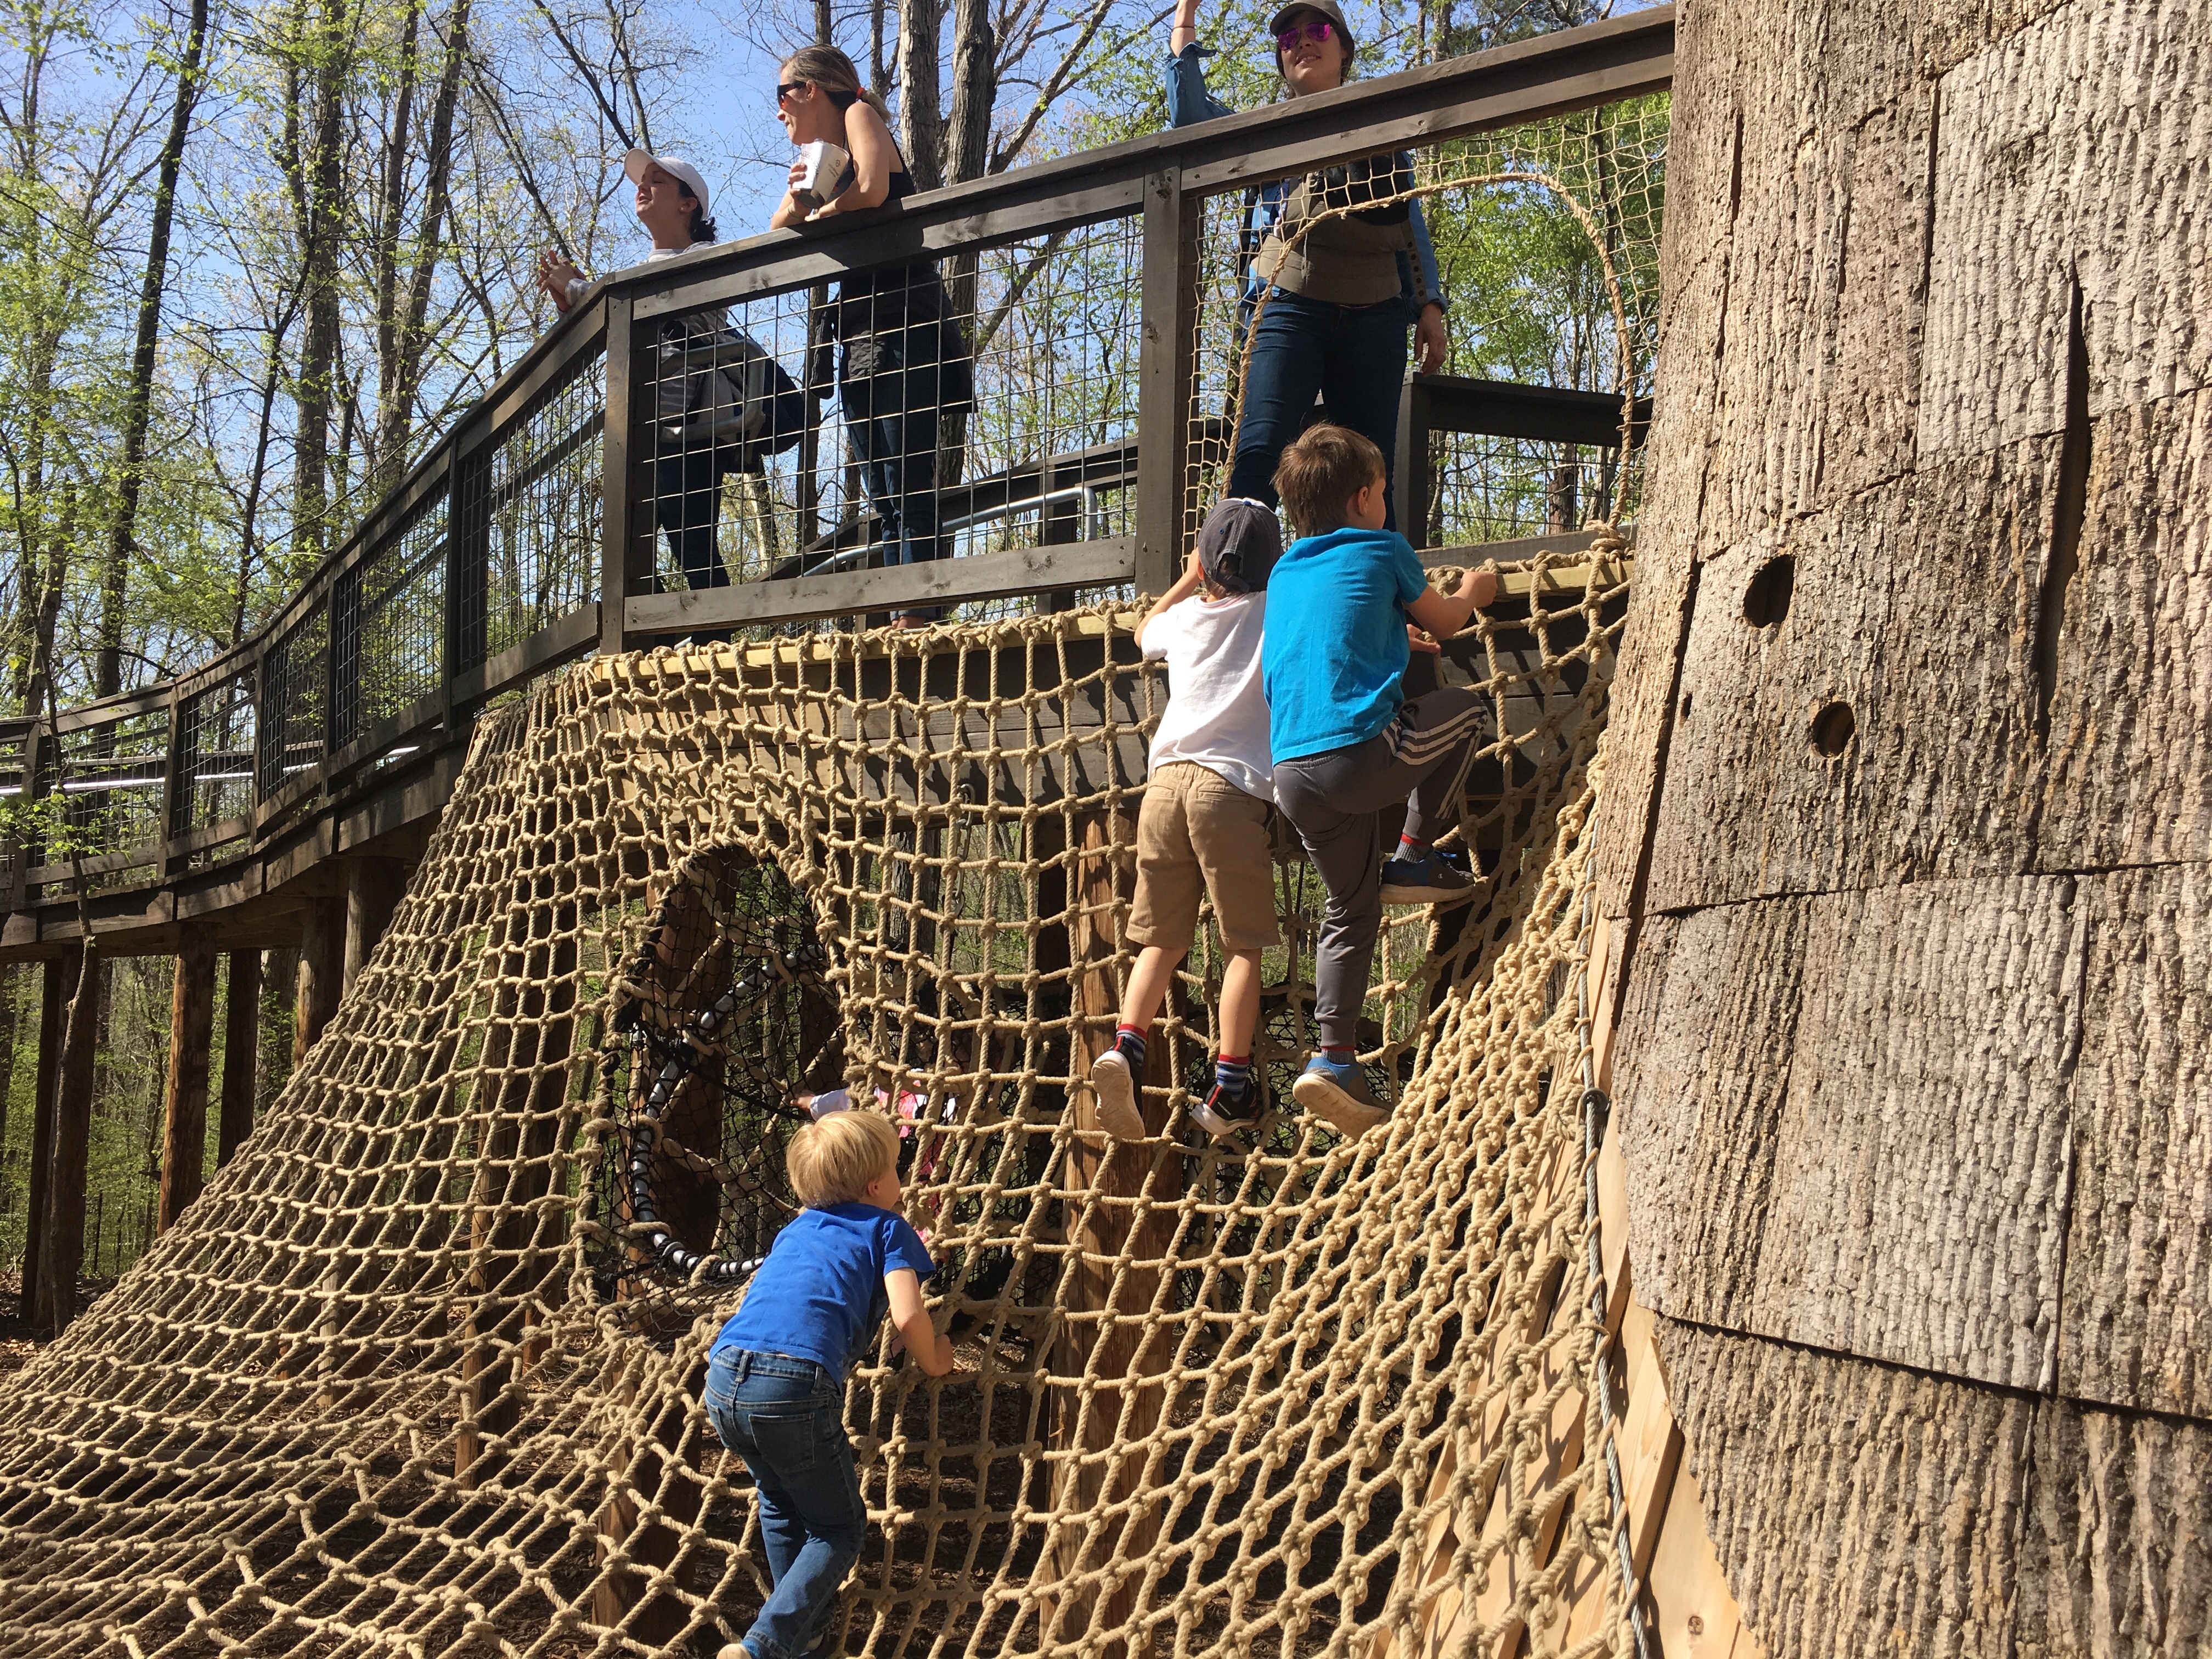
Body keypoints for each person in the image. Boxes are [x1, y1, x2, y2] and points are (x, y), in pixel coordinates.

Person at [1261, 425, 1496, 1137]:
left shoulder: (1285, 571)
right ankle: (1418, 851)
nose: (1387, 503)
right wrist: (1474, 589)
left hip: (1291, 776)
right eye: (1386, 491)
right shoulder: (1386, 548)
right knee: (1470, 711)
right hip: (1361, 756)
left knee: (1351, 910)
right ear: (1365, 498)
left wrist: (1398, 634)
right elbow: (1449, 622)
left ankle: (1332, 1061)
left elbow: (1330, 637)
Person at [1166, 0, 1448, 532]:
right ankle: (1239, 595)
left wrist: (1428, 304)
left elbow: (1409, 220)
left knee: (1369, 473)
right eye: (1288, 37)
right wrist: (1185, 17)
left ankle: (1372, 603)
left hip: (1375, 316)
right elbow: (1189, 119)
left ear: (1344, 48)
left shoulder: (1378, 126)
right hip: (1287, 312)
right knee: (1258, 457)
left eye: (1317, 29)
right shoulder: (1264, 131)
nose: (1302, 41)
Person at [706, 1109, 954, 1659]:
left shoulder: (796, 1229)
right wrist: (937, 1359)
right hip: (793, 1384)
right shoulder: (887, 1227)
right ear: (875, 1185)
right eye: (894, 1168)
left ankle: (802, 1634)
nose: (900, 1178)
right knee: (840, 1529)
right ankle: (765, 1645)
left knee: (778, 1500)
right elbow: (909, 1317)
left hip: (724, 1374)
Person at [538, 151, 799, 630]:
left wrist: (583, 293)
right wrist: (573, 310)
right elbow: (615, 329)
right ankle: (677, 646)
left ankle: (719, 644)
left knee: (691, 545)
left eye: (659, 181)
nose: (644, 186)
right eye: (644, 181)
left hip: (693, 432)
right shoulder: (636, 274)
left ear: (688, 205)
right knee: (624, 555)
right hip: (643, 434)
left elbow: (664, 303)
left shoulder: (702, 260)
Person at [1090, 499, 1282, 1143]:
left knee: (1160, 941)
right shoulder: (1277, 611)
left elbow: (1145, 631)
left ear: (1204, 566)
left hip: (1163, 788)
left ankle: (1127, 1043)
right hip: (1231, 793)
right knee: (1242, 946)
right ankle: (1230, 1086)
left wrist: (1185, 578)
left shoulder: (1188, 619)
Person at [771, 47, 972, 629]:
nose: (778, 112)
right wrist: (806, 190)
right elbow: (778, 224)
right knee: (881, 487)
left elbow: (874, 191)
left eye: (782, 97)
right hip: (860, 339)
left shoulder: (860, 112)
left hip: (905, 324)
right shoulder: (825, 156)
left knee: (906, 476)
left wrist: (822, 209)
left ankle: (918, 613)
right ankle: (901, 614)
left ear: (812, 90)